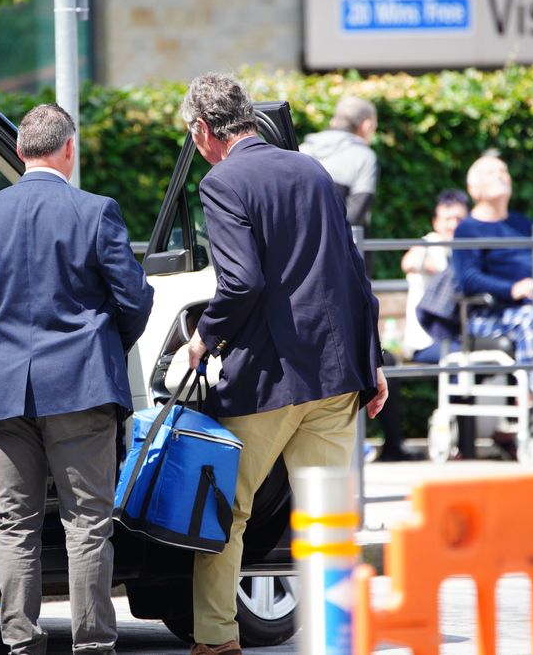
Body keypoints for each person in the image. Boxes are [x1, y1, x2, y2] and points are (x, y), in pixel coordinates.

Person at [180, 73, 387, 655]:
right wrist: (372, 361)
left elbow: (241, 282)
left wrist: (204, 338)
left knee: (225, 515)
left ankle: (218, 642)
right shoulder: (312, 170)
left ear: (203, 131)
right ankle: (338, 637)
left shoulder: (223, 182)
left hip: (266, 382)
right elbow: (352, 273)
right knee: (326, 519)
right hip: (332, 375)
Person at [0, 104, 154, 655]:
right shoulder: (96, 211)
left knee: (14, 522)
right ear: (69, 149)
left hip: (7, 388)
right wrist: (108, 342)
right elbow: (134, 300)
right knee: (87, 521)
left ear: (18, 151)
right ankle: (92, 644)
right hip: (83, 386)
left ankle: (21, 641)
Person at [451, 152, 533, 370]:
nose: (500, 176)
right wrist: (513, 289)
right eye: (491, 172)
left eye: (503, 171)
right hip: (491, 312)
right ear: (474, 189)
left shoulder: (523, 224)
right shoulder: (467, 230)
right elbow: (468, 279)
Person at [401, 189, 469, 363]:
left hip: (453, 338)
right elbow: (408, 262)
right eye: (448, 219)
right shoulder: (429, 242)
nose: (454, 225)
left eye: (459, 219)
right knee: (465, 358)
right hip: (424, 342)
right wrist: (439, 271)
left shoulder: (465, 250)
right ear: (436, 222)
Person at [299, 95, 379, 229]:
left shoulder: (303, 149)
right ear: (366, 125)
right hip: (338, 244)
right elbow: (354, 215)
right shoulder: (364, 157)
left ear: (334, 121)